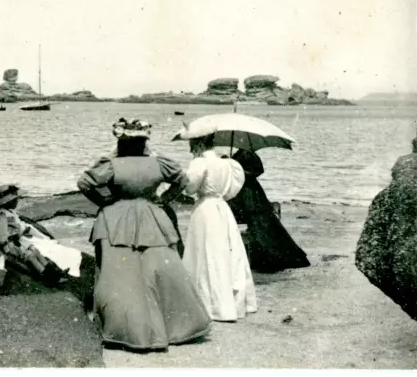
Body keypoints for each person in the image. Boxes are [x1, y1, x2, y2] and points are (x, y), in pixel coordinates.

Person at [77, 118, 210, 352]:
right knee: (158, 269)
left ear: (121, 141)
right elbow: (183, 181)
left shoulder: (111, 164)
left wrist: (104, 200)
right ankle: (175, 326)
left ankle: (124, 326)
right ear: (144, 142)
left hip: (115, 216)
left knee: (118, 272)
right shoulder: (158, 163)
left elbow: (84, 183)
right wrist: (165, 199)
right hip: (151, 213)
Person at [183, 134, 258, 323]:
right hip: (222, 209)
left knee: (205, 254)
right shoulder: (227, 163)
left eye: (192, 145)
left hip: (206, 209)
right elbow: (232, 189)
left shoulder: (199, 163)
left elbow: (189, 188)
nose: (191, 149)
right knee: (226, 253)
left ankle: (210, 303)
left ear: (198, 144)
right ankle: (230, 302)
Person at [227, 149, 310, 273]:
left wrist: (239, 172)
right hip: (248, 192)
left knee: (259, 225)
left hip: (249, 193)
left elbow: (257, 171)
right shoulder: (240, 156)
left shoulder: (245, 156)